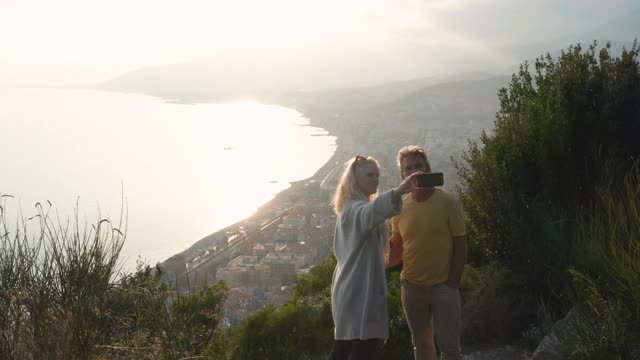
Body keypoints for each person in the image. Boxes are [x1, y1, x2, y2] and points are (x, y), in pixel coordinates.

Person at [329, 155, 421, 360]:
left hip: (354, 288)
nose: (375, 179)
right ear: (356, 180)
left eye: (377, 175)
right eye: (369, 175)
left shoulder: (353, 207)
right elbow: (371, 211)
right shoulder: (354, 210)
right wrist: (399, 191)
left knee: (344, 347)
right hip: (357, 290)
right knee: (362, 348)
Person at [388, 145, 467, 360]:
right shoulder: (400, 208)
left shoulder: (447, 201)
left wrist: (453, 282)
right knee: (421, 345)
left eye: (419, 166)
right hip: (412, 288)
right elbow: (396, 251)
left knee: (450, 348)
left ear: (428, 168)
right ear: (403, 175)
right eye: (409, 168)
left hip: (443, 286)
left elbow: (461, 242)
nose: (414, 171)